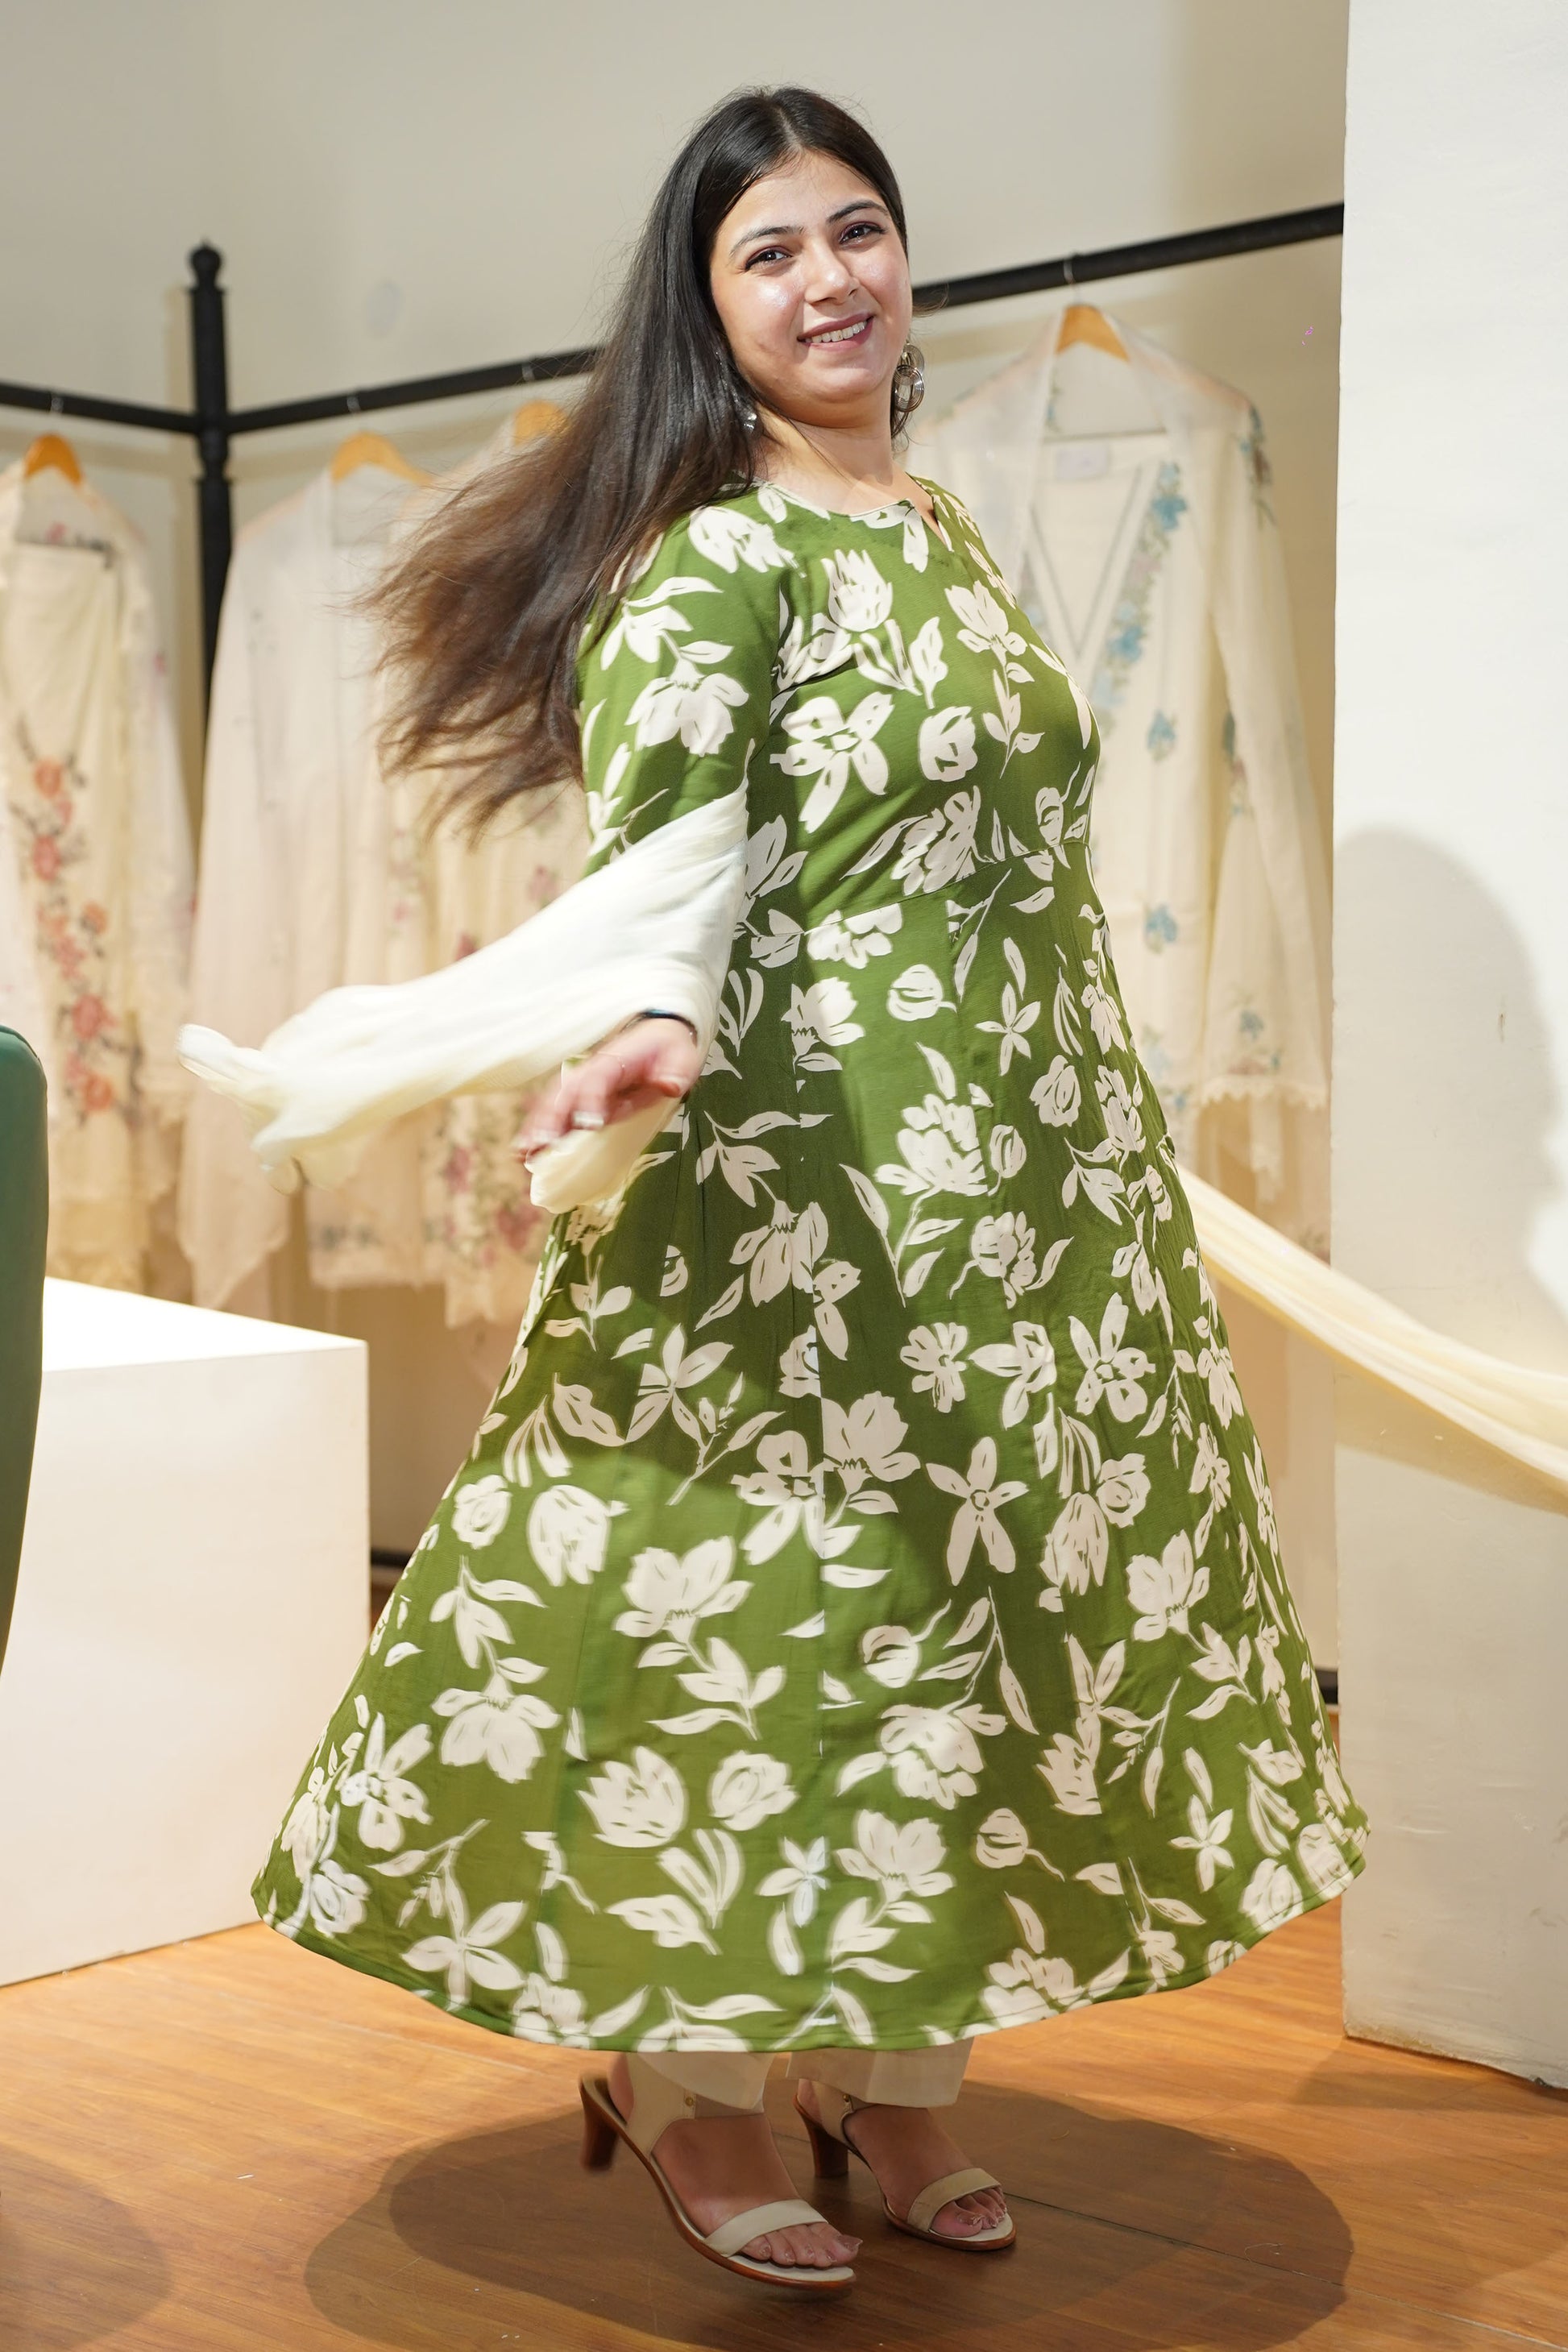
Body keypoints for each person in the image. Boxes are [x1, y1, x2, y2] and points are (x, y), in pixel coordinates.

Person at [239, 85, 1367, 2296]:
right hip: (804, 1188)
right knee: (766, 1630)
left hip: (1024, 1182)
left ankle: (888, 2068)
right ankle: (686, 2089)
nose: (831, 279)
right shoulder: (711, 557)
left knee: (972, 1623)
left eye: (859, 230)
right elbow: (668, 846)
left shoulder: (937, 530)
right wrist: (654, 1015)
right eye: (770, 251)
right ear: (707, 306)